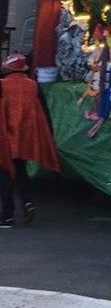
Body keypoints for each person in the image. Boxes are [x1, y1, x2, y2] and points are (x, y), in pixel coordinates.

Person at [0, 53, 61, 228]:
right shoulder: (33, 86)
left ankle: (7, 215)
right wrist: (48, 135)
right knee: (20, 170)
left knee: (4, 175)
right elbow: (43, 112)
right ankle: (27, 202)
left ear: (8, 68)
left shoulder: (3, 85)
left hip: (5, 137)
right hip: (25, 138)